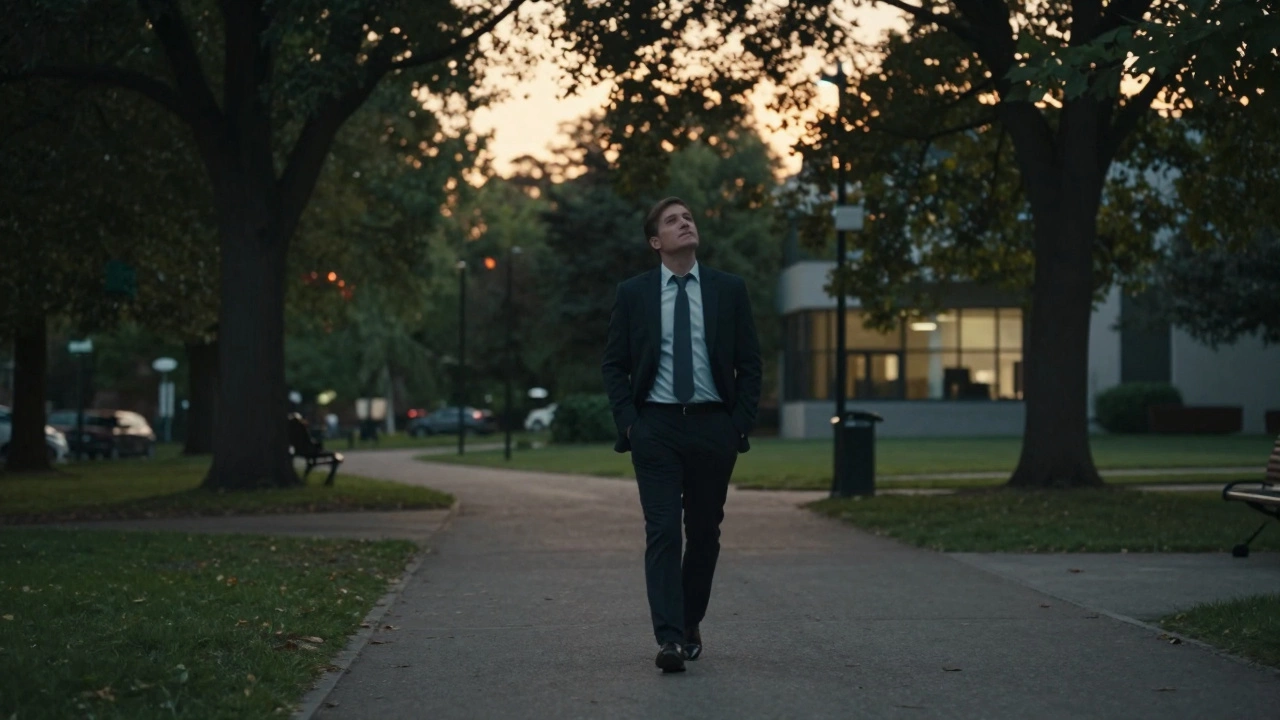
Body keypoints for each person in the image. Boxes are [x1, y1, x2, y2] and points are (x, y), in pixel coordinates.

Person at [601, 196, 762, 673]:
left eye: (688, 217)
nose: (684, 223)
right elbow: (614, 364)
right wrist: (631, 423)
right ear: (656, 242)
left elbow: (750, 363)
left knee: (705, 534)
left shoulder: (728, 289)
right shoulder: (635, 294)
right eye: (672, 221)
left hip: (714, 427)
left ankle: (689, 621)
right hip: (657, 428)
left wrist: (739, 424)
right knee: (664, 530)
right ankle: (669, 638)